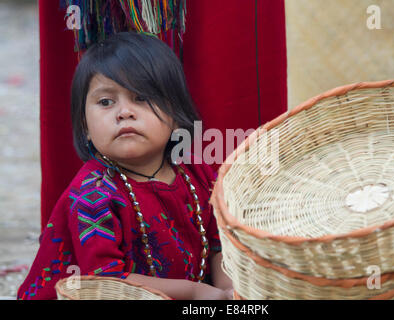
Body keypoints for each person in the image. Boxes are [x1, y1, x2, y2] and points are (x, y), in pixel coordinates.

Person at [17, 32, 233, 300]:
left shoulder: (196, 174)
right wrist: (194, 292)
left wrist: (228, 291)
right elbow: (105, 282)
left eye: (141, 98)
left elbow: (219, 244)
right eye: (106, 102)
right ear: (85, 127)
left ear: (177, 116)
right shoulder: (93, 195)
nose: (124, 112)